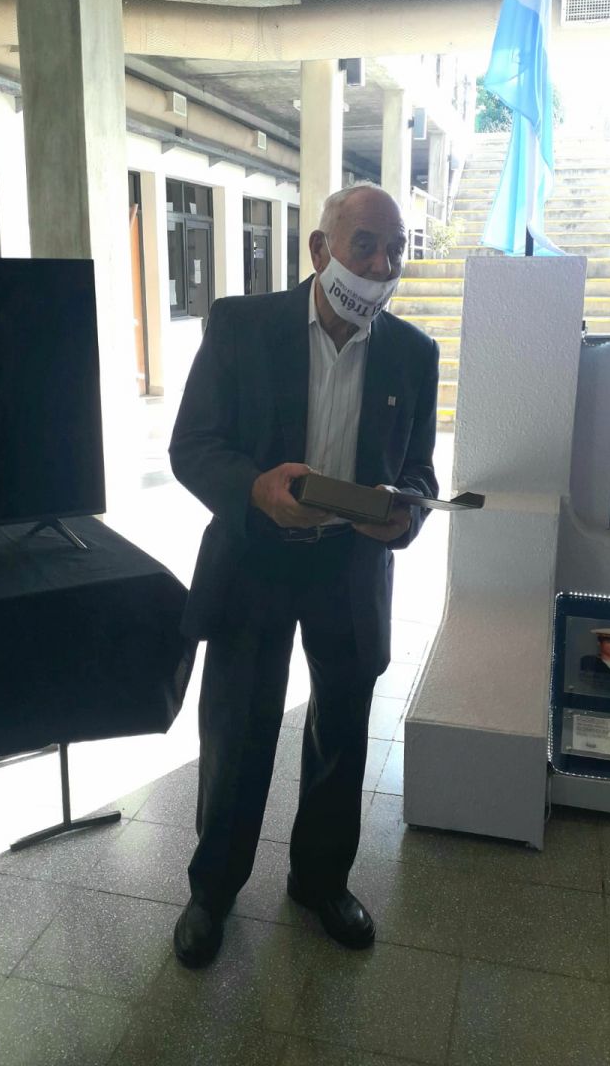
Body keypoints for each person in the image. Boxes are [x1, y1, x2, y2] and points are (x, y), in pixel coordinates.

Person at [168, 182, 439, 967]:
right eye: (366, 245)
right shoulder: (241, 325)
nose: (382, 265)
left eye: (396, 251)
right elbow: (194, 445)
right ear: (321, 249)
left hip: (350, 568)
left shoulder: (413, 353)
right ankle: (212, 891)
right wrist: (255, 489)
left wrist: (405, 517)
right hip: (255, 559)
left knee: (341, 733)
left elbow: (419, 471)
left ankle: (320, 882)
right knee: (238, 731)